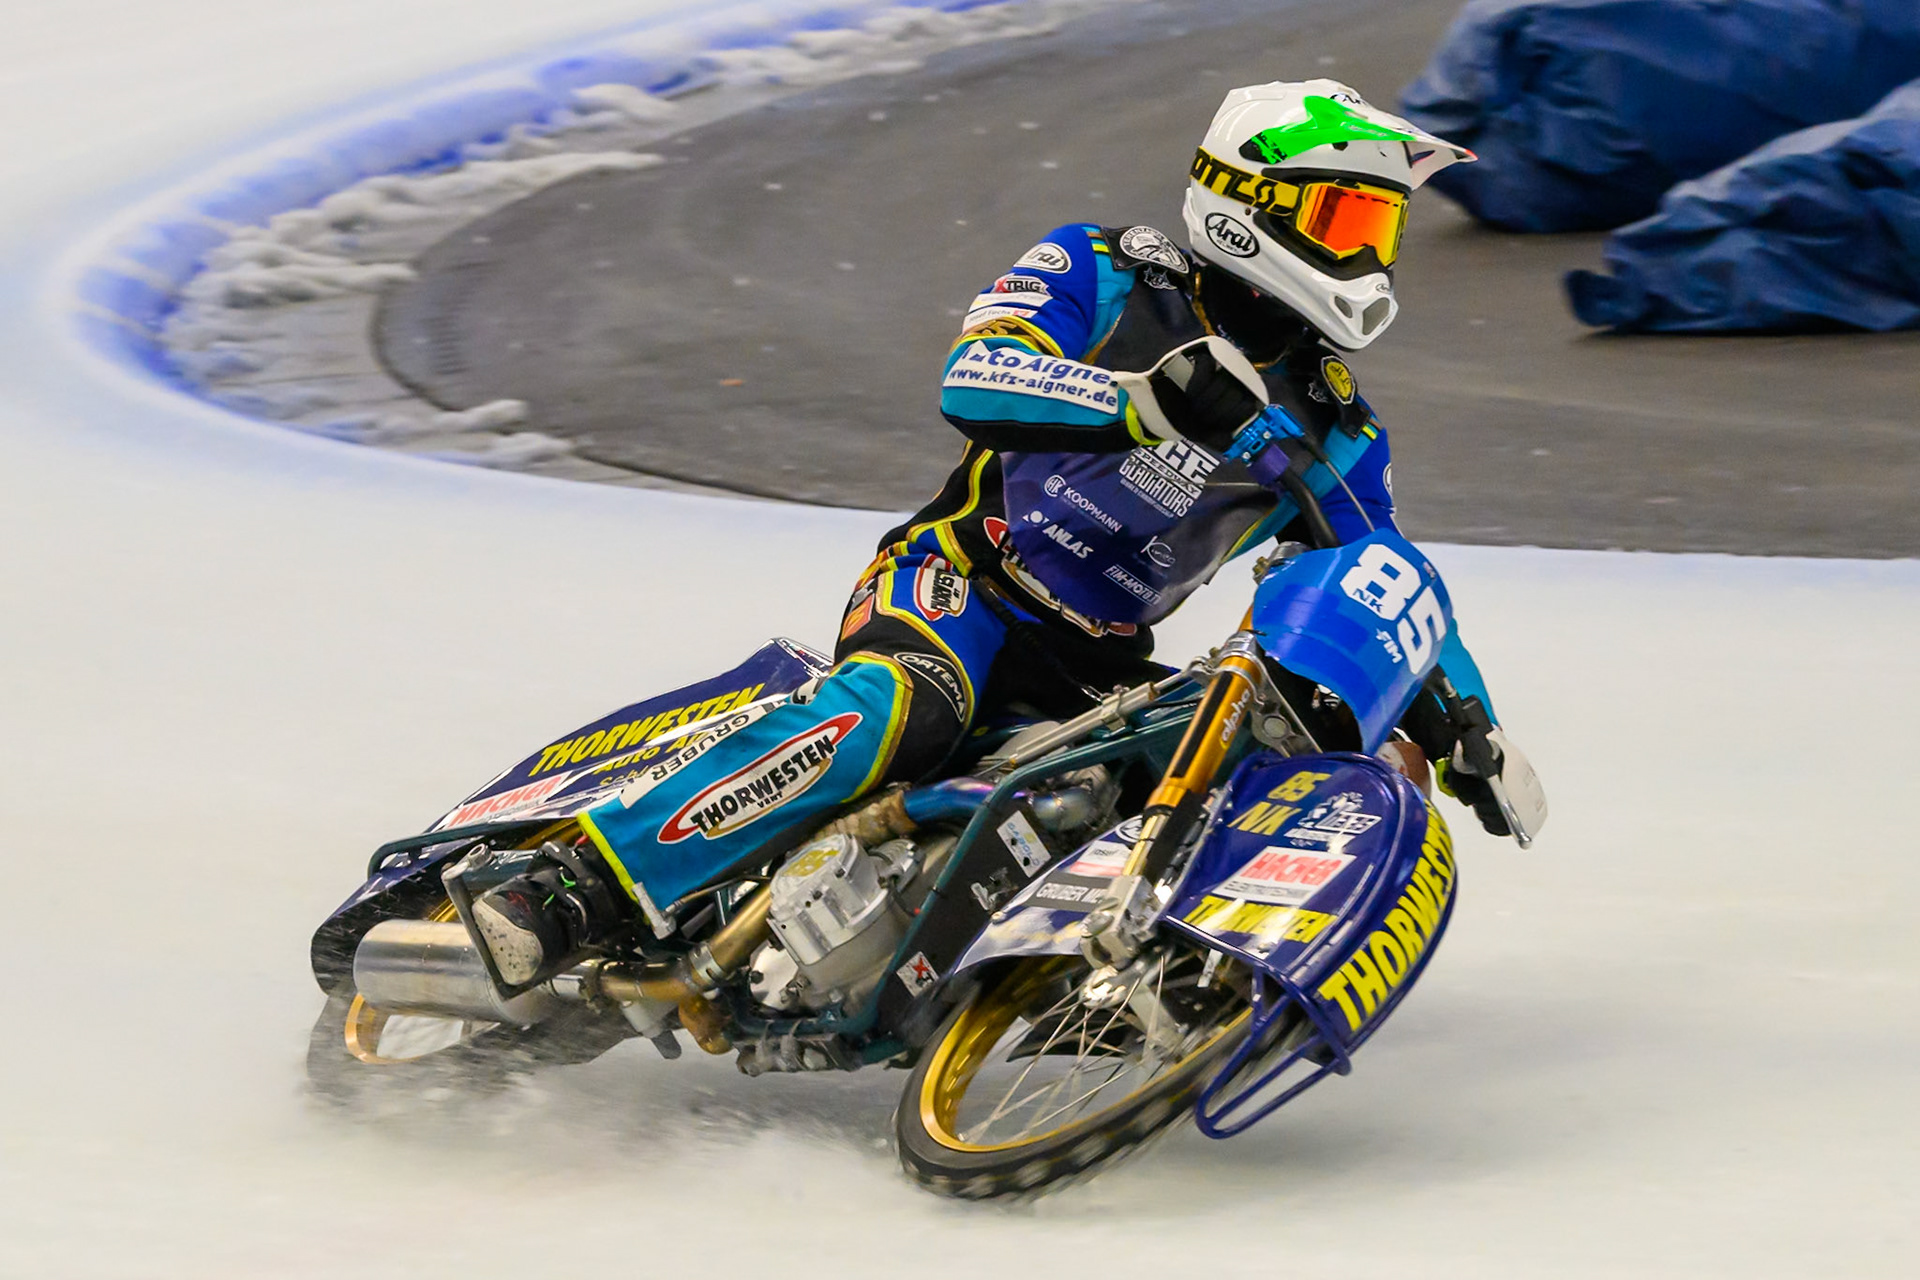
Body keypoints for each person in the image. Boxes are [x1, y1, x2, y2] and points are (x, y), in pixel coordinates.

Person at [470, 79, 1543, 988]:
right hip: (961, 582)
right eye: (1350, 223)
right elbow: (973, 374)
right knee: (903, 708)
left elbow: (1382, 573)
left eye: (1380, 228)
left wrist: (1466, 719)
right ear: (1251, 203)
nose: (1373, 255)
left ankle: (1074, 994)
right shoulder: (1106, 267)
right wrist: (1144, 401)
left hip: (1097, 661)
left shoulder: (1334, 419)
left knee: (1185, 775)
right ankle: (580, 885)